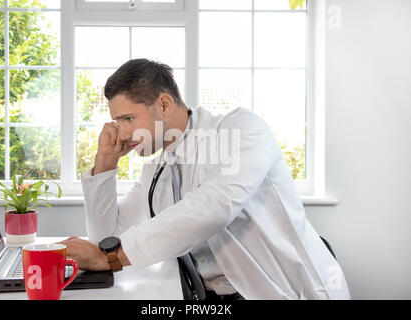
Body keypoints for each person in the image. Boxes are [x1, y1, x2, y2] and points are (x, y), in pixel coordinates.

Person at [59, 59, 351, 300]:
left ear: (163, 105)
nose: (121, 133)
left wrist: (112, 257)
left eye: (128, 119)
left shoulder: (240, 130)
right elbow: (104, 241)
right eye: (117, 121)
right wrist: (105, 164)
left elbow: (213, 207)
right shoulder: (158, 170)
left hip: (288, 292)